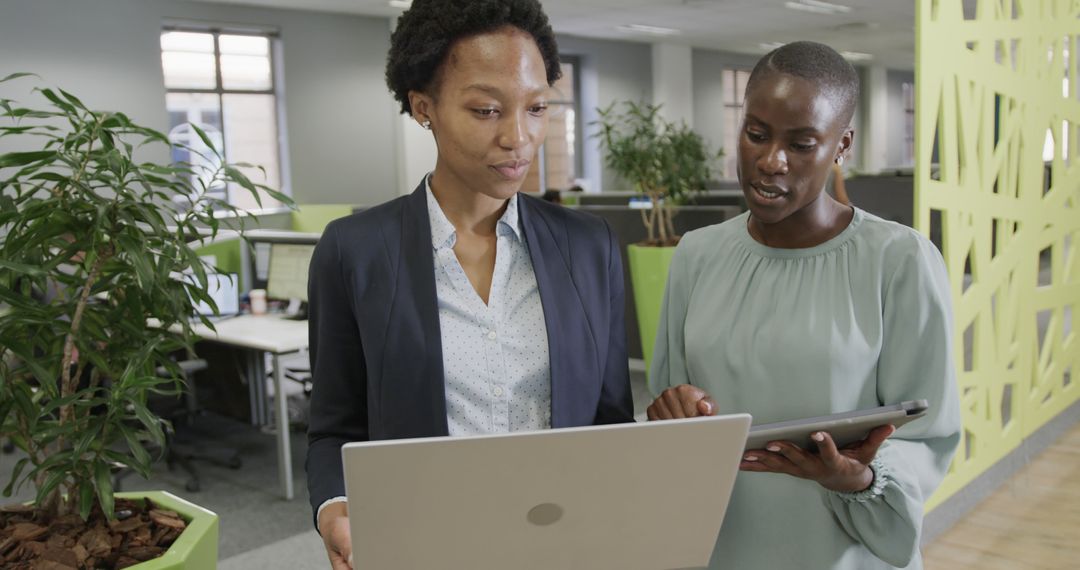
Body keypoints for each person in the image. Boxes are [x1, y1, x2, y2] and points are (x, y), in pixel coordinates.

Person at [305, 1, 634, 568]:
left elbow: (610, 420)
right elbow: (334, 429)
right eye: (486, 110)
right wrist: (335, 507)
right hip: (424, 542)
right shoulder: (354, 250)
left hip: (564, 541)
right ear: (423, 108)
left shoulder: (588, 246)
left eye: (536, 109)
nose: (519, 137)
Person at [647, 41, 960, 569]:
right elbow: (671, 402)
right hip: (722, 545)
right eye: (756, 135)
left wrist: (858, 475)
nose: (771, 162)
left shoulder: (900, 260)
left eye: (802, 143)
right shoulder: (697, 253)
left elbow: (928, 435)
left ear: (842, 146)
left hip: (842, 549)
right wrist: (670, 411)